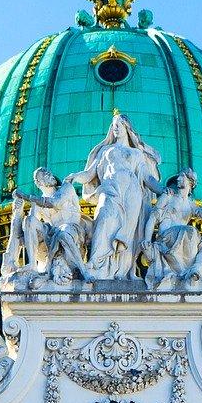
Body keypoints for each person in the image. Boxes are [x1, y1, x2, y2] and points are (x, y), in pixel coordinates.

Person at [68, 113, 163, 279]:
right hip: (110, 190)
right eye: (114, 125)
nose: (116, 128)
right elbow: (90, 173)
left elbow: (147, 178)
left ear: (127, 128)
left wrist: (163, 190)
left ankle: (124, 271)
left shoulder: (137, 154)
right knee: (105, 220)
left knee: (130, 231)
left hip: (132, 192)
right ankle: (97, 264)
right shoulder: (106, 151)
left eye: (119, 125)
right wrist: (76, 177)